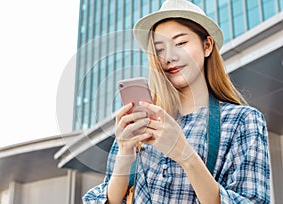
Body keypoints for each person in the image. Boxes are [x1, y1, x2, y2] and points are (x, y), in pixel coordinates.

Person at [83, 0, 270, 203]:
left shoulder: (242, 121)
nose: (169, 57)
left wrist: (185, 154)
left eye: (180, 43)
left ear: (207, 46)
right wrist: (125, 153)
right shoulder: (142, 124)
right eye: (159, 50)